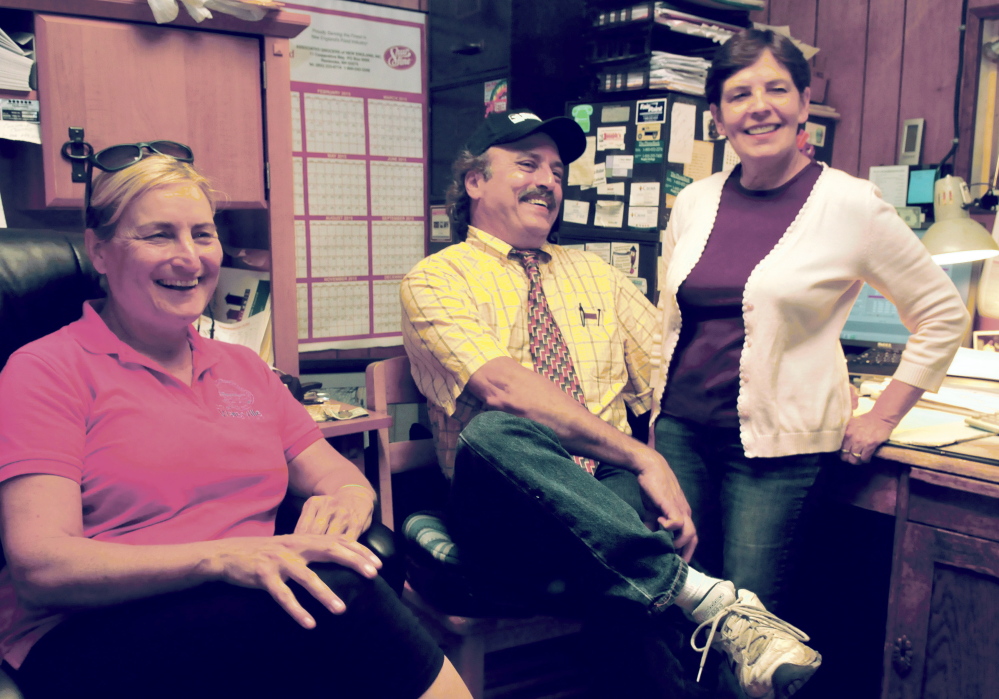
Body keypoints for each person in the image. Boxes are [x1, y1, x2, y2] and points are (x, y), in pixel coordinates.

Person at [0, 147, 471, 699]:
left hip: (239, 607)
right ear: (98, 251)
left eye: (202, 234)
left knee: (355, 573)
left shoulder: (243, 367)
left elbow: (341, 477)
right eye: (158, 235)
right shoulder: (46, 369)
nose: (190, 258)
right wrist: (223, 558)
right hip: (88, 632)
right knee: (347, 599)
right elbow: (42, 567)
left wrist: (343, 503)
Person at [401, 110, 822, 698]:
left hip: (601, 494)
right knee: (495, 430)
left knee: (617, 584)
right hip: (503, 512)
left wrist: (811, 370)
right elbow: (503, 388)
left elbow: (672, 368)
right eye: (528, 164)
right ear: (475, 182)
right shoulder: (435, 279)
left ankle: (690, 599)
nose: (549, 180)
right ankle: (708, 599)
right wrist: (645, 458)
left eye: (557, 169)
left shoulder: (595, 274)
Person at [650, 26, 969, 684]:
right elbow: (670, 317)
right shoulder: (694, 201)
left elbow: (940, 313)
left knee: (756, 635)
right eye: (738, 94)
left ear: (802, 105)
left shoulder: (847, 203)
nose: (757, 106)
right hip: (680, 435)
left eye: (775, 88)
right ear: (717, 116)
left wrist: (881, 416)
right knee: (679, 615)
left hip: (773, 451)